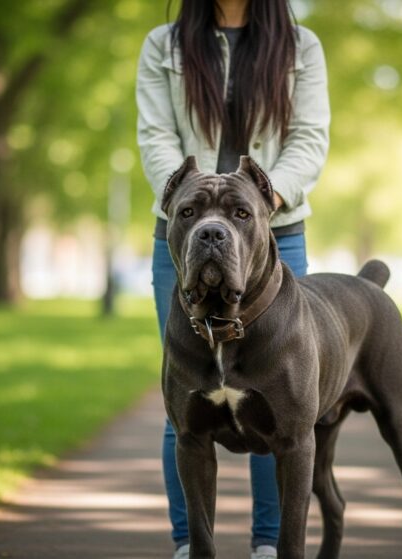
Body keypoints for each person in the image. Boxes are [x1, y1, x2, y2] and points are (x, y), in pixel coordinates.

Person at [136, 0, 329, 557]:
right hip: (184, 231)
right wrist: (185, 194)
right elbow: (155, 138)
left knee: (283, 401)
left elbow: (309, 139)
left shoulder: (300, 45)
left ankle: (269, 545)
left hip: (272, 236)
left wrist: (258, 199)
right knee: (186, 402)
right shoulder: (163, 45)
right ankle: (190, 546)